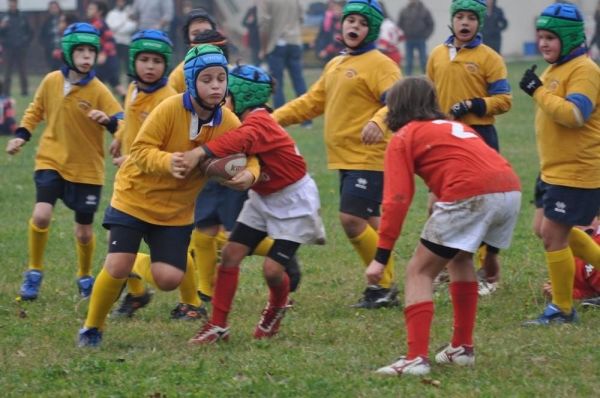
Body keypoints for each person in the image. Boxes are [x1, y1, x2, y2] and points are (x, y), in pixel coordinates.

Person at [77, 45, 259, 347]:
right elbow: (139, 150)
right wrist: (168, 161)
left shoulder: (228, 122)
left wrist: (247, 176)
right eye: (207, 79)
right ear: (191, 82)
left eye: (220, 79)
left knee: (168, 280)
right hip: (134, 198)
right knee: (116, 266)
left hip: (175, 213)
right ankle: (92, 327)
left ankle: (134, 262)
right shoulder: (170, 108)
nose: (216, 86)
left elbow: (252, 156)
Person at [367, 76, 521, 376]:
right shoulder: (457, 127)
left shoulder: (404, 136)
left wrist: (381, 257)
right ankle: (461, 348)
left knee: (419, 271)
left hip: (471, 192)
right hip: (510, 188)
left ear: (397, 107)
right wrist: (492, 253)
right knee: (460, 257)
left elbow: (397, 199)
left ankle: (415, 358)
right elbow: (464, 163)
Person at [274, 0, 402, 309]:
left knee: (350, 219)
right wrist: (272, 119)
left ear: (371, 29)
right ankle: (383, 287)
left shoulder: (380, 63)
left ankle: (382, 286)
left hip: (368, 157)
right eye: (349, 21)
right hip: (344, 157)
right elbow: (310, 102)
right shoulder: (336, 64)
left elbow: (397, 102)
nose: (353, 27)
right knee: (370, 223)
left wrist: (377, 121)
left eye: (361, 22)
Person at [188, 64, 325, 344]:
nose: (221, 99)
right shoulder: (244, 119)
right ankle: (217, 326)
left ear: (241, 95)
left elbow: (240, 140)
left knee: (272, 271)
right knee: (230, 254)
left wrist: (200, 154)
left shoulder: (259, 121)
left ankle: (276, 307)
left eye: (226, 93)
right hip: (263, 198)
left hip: (293, 200)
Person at [5, 23, 123, 301]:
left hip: (87, 170)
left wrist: (108, 122)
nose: (86, 56)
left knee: (83, 232)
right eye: (80, 50)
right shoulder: (50, 81)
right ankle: (34, 271)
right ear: (68, 53)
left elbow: (122, 123)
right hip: (51, 160)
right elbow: (35, 110)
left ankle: (84, 276)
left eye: (90, 51)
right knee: (41, 215)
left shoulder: (99, 90)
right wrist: (22, 135)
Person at [519, 3, 600, 326]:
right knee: (544, 230)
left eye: (551, 37)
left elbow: (574, 115)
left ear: (569, 38)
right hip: (552, 169)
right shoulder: (555, 68)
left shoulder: (585, 70)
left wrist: (538, 92)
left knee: (554, 235)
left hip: (577, 170)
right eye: (540, 36)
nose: (543, 43)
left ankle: (562, 309)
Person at [426, 0, 511, 289]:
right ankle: (448, 266)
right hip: (445, 137)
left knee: (481, 208)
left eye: (471, 18)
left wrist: (474, 104)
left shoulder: (490, 57)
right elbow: (430, 94)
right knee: (436, 204)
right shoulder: (437, 54)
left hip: (479, 136)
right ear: (452, 20)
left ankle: (487, 270)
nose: (465, 23)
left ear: (479, 23)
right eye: (459, 17)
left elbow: (504, 100)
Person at [257, 0, 309, 110]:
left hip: (276, 43)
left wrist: (263, 48)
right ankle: (306, 119)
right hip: (295, 41)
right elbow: (302, 17)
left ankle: (280, 117)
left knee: (277, 83)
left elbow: (263, 24)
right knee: (298, 79)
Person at [542, 220, 600, 308]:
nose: (582, 223)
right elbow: (586, 291)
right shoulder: (564, 256)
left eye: (588, 216)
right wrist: (561, 290)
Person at [167, 8, 217, 94]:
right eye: (195, 33)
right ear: (188, 40)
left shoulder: (228, 69)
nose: (202, 37)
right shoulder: (178, 76)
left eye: (207, 32)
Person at [87, 1, 123, 95]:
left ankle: (128, 102)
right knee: (97, 84)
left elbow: (110, 40)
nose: (88, 10)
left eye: (91, 9)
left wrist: (103, 53)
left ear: (100, 12)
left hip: (107, 59)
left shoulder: (100, 24)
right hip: (100, 60)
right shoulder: (93, 24)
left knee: (115, 84)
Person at [0, 0, 32, 96]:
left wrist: (25, 42)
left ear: (17, 4)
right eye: (11, 3)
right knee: (7, 71)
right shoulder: (3, 17)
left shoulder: (23, 17)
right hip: (8, 47)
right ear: (8, 4)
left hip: (21, 47)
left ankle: (25, 91)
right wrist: (2, 27)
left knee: (23, 70)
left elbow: (30, 31)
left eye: (14, 3)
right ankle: (5, 92)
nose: (12, 5)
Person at [106, 0, 138, 88]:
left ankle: (130, 86)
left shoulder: (130, 12)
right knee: (116, 66)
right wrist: (123, 24)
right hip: (116, 43)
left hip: (127, 43)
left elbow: (132, 26)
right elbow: (110, 27)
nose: (121, 2)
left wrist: (118, 29)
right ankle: (117, 86)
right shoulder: (111, 14)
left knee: (128, 67)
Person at [397, 0, 433, 76]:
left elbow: (430, 24)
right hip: (408, 39)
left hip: (420, 39)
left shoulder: (424, 10)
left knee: (423, 60)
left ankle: (426, 76)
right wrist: (403, 34)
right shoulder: (404, 11)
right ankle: (407, 77)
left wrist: (425, 35)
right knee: (409, 60)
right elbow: (399, 24)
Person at [314, 0, 345, 64]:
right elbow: (322, 35)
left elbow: (339, 40)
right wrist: (321, 49)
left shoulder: (345, 21)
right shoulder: (328, 19)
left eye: (339, 9)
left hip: (341, 52)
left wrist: (326, 50)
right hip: (329, 51)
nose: (337, 11)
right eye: (335, 9)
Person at [376, 1, 403, 65]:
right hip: (396, 53)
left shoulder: (383, 25)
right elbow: (401, 36)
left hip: (388, 55)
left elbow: (383, 45)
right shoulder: (391, 22)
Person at [39, 1, 63, 71]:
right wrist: (49, 48)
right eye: (52, 8)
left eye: (55, 7)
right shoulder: (47, 22)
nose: (54, 9)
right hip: (51, 51)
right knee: (53, 72)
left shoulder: (64, 19)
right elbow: (42, 37)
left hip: (64, 51)